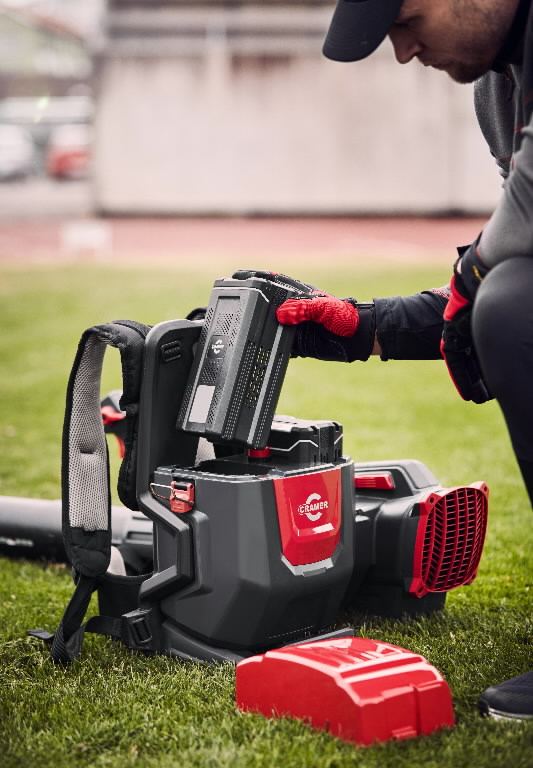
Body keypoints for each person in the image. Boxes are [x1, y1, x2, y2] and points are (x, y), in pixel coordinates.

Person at [274, 0, 533, 721]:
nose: (404, 51)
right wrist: (364, 326)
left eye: (408, 21)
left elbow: (505, 260)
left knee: (510, 303)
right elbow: (511, 258)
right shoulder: (498, 86)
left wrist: (472, 282)